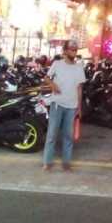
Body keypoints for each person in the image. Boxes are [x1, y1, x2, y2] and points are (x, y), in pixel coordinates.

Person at [42, 40, 85, 172]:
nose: (74, 52)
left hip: (72, 106)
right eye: (72, 49)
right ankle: (47, 162)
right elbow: (46, 78)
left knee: (68, 136)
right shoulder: (57, 64)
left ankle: (66, 163)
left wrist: (79, 107)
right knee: (52, 135)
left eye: (75, 50)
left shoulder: (79, 67)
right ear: (65, 51)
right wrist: (53, 85)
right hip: (57, 104)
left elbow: (79, 88)